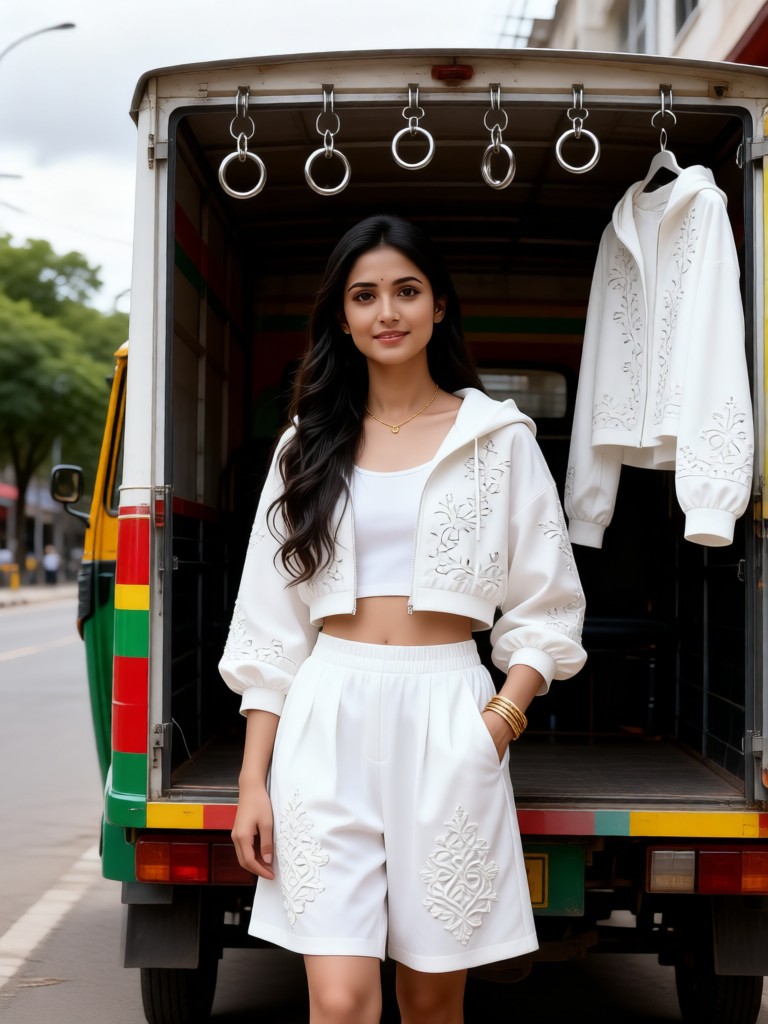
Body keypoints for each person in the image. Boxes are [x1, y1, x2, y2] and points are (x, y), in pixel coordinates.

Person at [219, 215, 587, 1024]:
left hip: (450, 711)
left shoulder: (499, 440)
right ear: (342, 317)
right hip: (327, 715)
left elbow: (549, 603)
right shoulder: (303, 448)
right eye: (365, 295)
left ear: (439, 306)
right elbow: (270, 630)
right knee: (341, 1000)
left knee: (429, 999)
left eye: (406, 291)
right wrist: (252, 782)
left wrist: (498, 722)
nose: (387, 311)